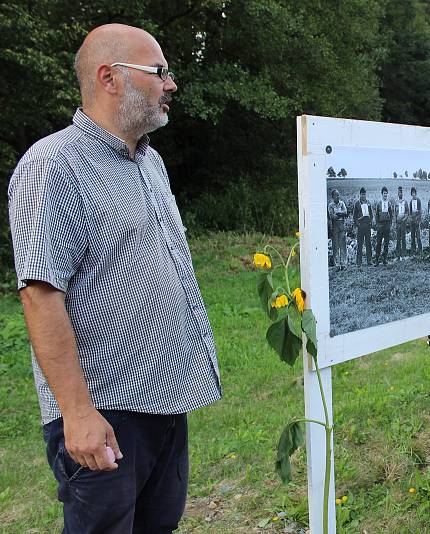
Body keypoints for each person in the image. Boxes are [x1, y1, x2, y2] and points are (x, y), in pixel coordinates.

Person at [7, 24, 221, 532]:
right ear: (110, 78)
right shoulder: (53, 164)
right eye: (160, 72)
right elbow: (40, 294)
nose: (171, 84)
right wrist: (77, 415)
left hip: (166, 400)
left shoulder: (151, 163)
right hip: (105, 415)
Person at [327, 189, 348, 269]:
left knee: (343, 245)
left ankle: (344, 264)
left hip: (342, 226)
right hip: (334, 227)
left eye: (339, 195)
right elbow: (332, 216)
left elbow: (345, 212)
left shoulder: (342, 203)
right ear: (333, 196)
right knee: (335, 246)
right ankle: (337, 264)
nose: (338, 196)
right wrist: (340, 214)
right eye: (336, 195)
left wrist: (338, 214)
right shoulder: (330, 205)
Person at [353, 187, 373, 268]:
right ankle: (359, 262)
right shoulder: (357, 204)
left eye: (364, 194)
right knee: (360, 244)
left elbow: (371, 214)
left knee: (368, 244)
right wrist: (358, 224)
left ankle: (369, 261)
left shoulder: (368, 203)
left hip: (367, 226)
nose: (363, 196)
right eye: (362, 194)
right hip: (360, 227)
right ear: (360, 195)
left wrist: (371, 221)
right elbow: (354, 217)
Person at [373, 186, 393, 266]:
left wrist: (390, 224)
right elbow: (376, 215)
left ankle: (384, 259)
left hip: (387, 226)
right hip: (380, 226)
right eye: (384, 193)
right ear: (382, 194)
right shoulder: (379, 203)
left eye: (386, 193)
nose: (385, 195)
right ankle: (377, 259)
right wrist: (377, 224)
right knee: (378, 243)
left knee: (386, 243)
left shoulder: (389, 204)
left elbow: (391, 214)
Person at [395, 186, 409, 259]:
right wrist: (395, 223)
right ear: (397, 193)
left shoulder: (405, 201)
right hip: (398, 223)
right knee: (398, 239)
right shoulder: (396, 202)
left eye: (401, 192)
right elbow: (394, 213)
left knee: (403, 239)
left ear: (402, 193)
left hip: (403, 223)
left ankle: (404, 255)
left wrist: (405, 219)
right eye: (399, 192)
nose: (400, 193)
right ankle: (398, 255)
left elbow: (407, 212)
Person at [409, 187, 423, 255]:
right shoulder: (411, 202)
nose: (413, 195)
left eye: (414, 194)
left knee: (418, 237)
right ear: (411, 194)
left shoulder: (418, 201)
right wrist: (411, 219)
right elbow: (410, 212)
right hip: (412, 222)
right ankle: (413, 250)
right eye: (412, 194)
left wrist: (418, 220)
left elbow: (420, 211)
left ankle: (420, 250)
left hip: (417, 222)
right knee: (412, 237)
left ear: (416, 194)